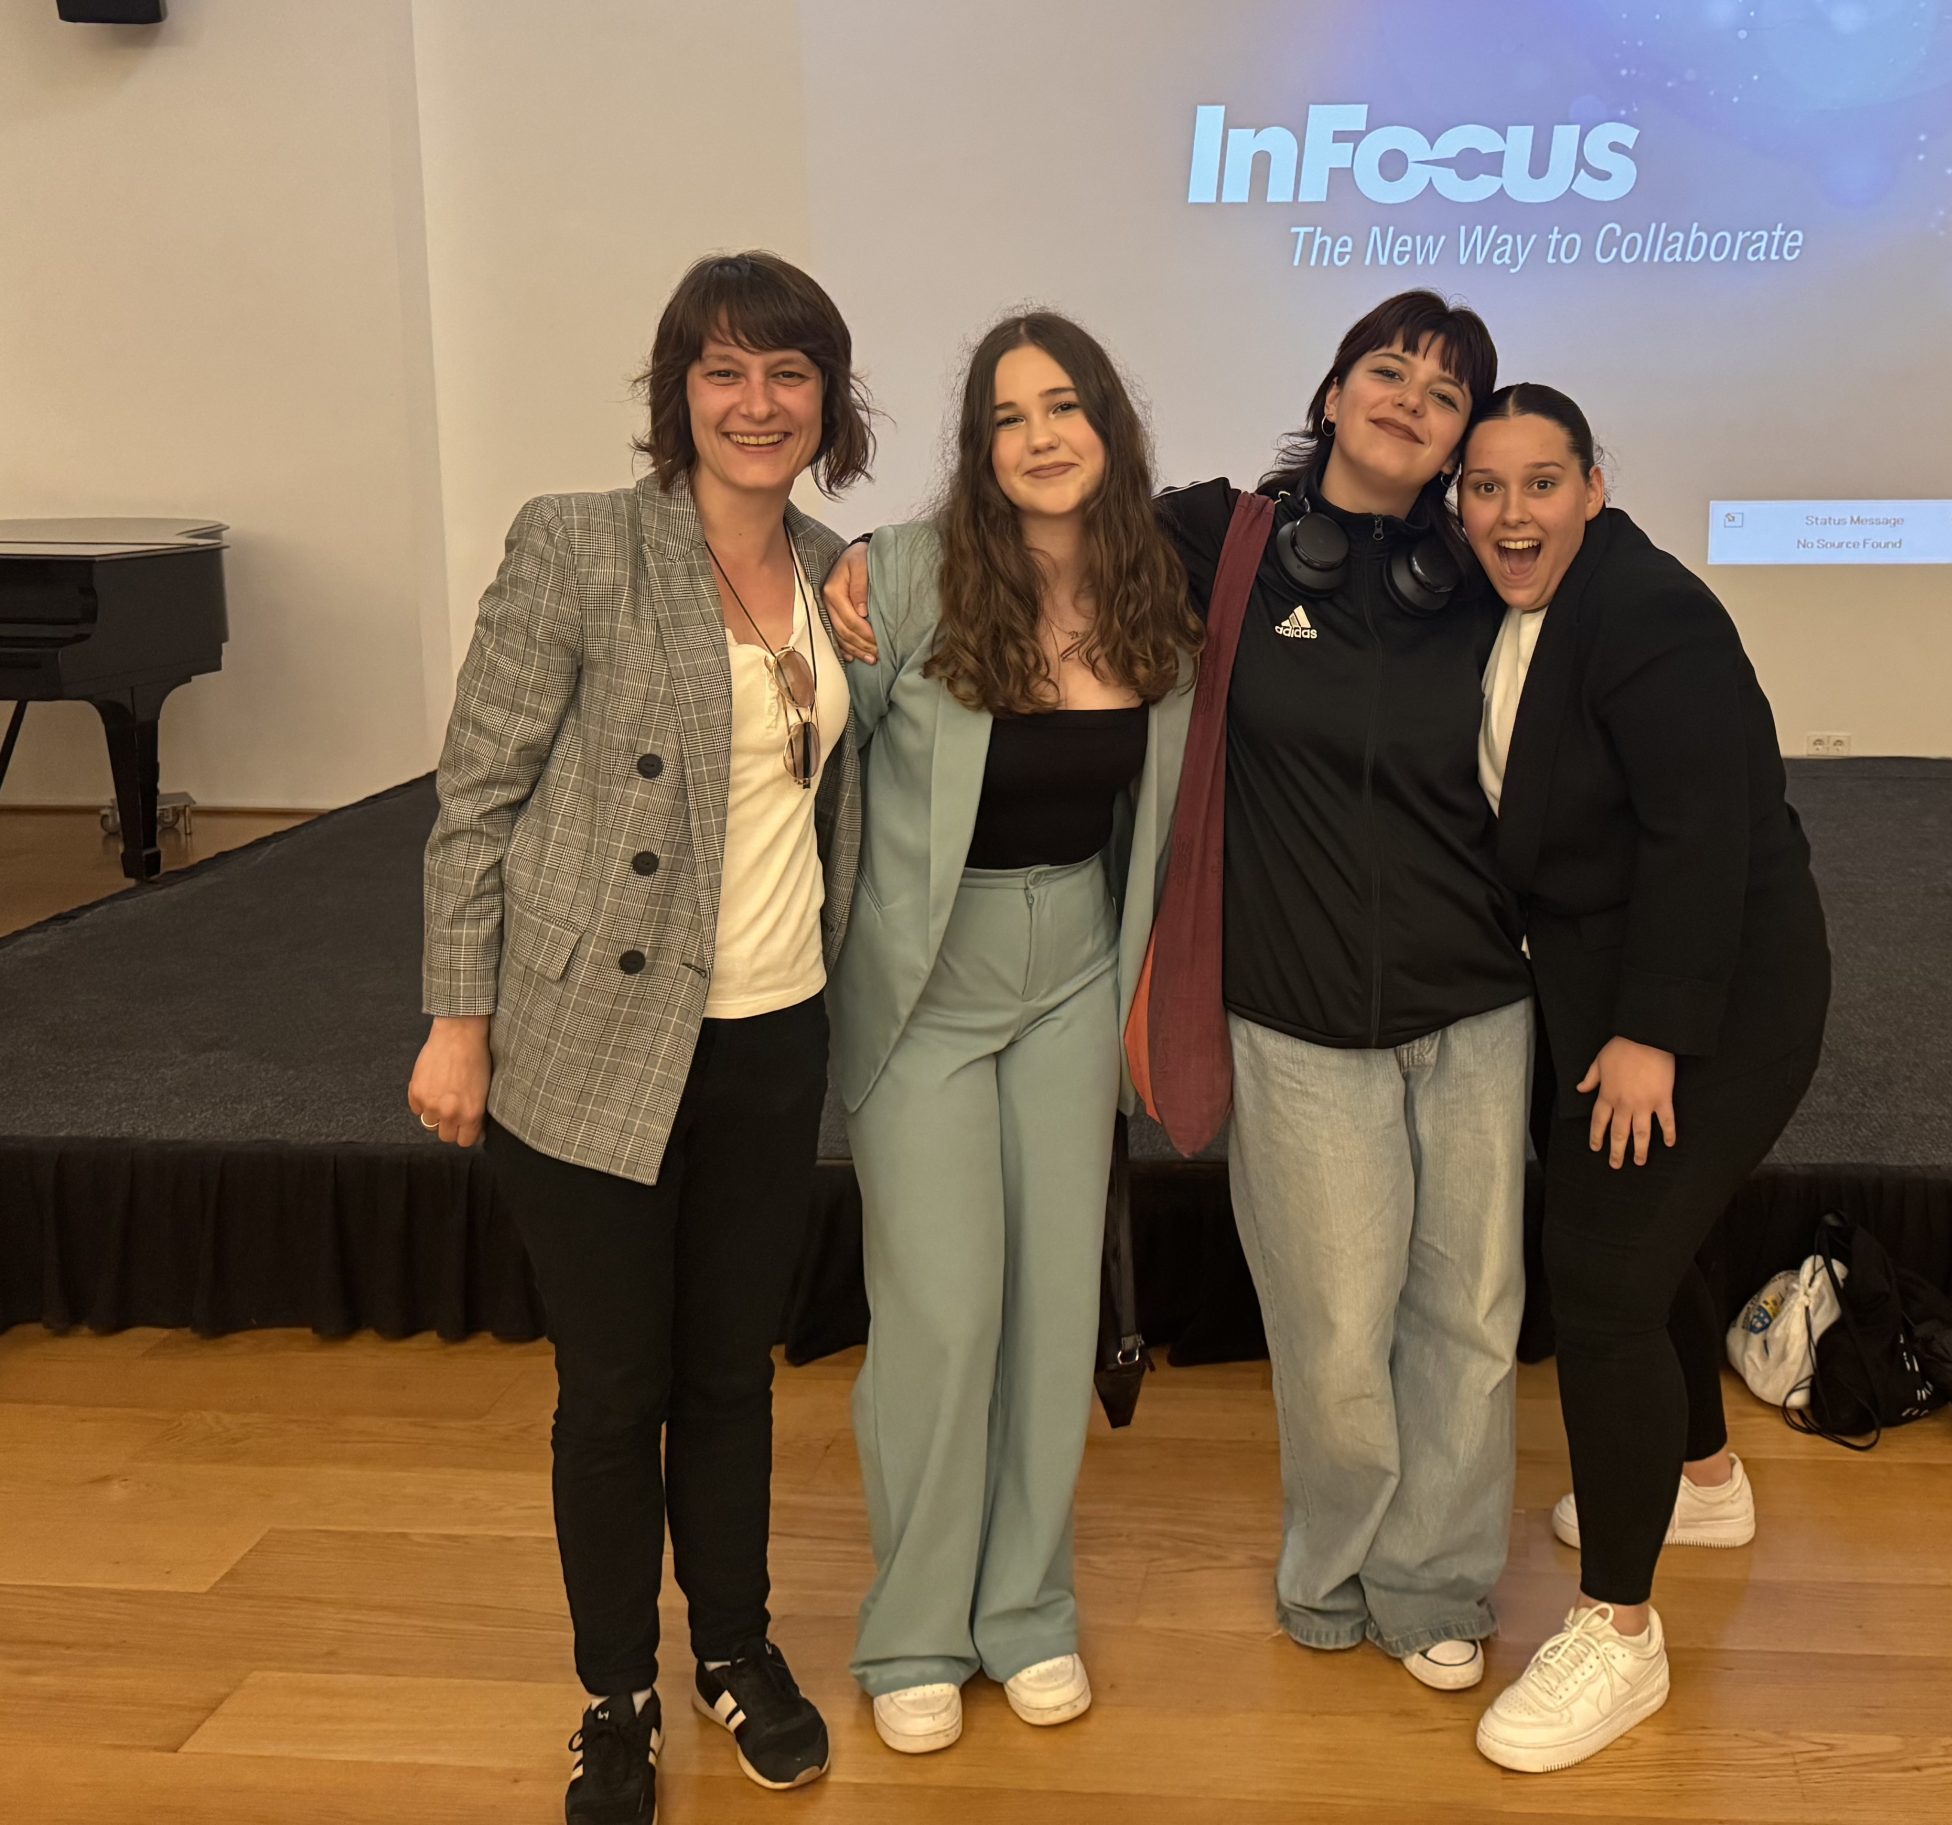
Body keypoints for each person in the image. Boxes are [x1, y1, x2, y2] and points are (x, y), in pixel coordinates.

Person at [826, 292, 1530, 1694]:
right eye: (1386, 369)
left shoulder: (1413, 582)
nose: (1408, 398)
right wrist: (850, 556)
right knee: (961, 1319)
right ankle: (927, 1631)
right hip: (1022, 987)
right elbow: (847, 664)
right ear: (1330, 394)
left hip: (1225, 978)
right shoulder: (1179, 549)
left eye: (1443, 392)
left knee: (1081, 1321)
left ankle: (1061, 1609)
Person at [411, 250, 871, 1825]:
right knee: (614, 1390)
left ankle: (732, 1646)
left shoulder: (841, 572)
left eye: (789, 372)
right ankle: (615, 1693)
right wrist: (457, 1019)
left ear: (829, 400)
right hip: (589, 1036)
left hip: (772, 1032)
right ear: (677, 393)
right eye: (723, 370)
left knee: (731, 1373)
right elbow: (475, 798)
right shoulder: (579, 543)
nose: (758, 401)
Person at [826, 313, 1198, 1754]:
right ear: (978, 447)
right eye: (1007, 415)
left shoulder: (1154, 588)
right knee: (941, 1312)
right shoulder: (906, 577)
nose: (1041, 436)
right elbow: (819, 755)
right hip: (927, 978)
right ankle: (915, 1628)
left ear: (1110, 423)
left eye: (1065, 406)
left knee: (1051, 1312)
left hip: (1074, 973)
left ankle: (1028, 1609)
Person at [1456, 385, 1831, 1772]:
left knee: (1606, 1277)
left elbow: (1701, 835)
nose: (1512, 514)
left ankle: (1619, 1630)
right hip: (1609, 995)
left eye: (1541, 484)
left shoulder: (1651, 613)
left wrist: (1655, 1033)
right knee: (1640, 1239)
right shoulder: (1519, 609)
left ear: (1594, 489)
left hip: (1717, 1005)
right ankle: (1704, 1479)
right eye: (1485, 488)